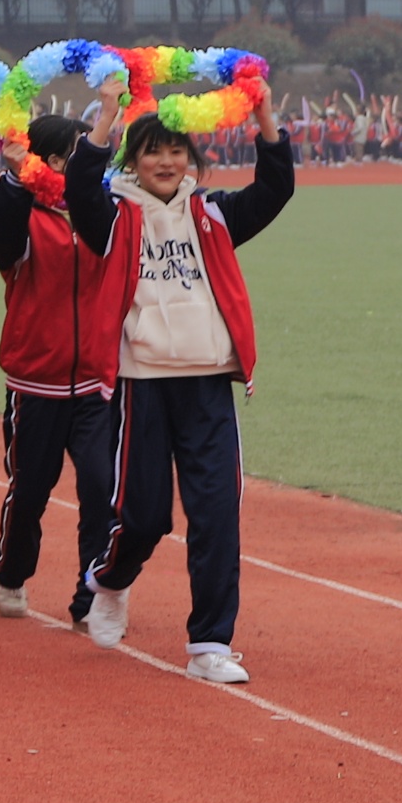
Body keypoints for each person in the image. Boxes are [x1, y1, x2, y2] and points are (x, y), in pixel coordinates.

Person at [67, 95, 296, 684]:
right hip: (142, 382)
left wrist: (263, 117)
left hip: (208, 384)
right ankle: (110, 581)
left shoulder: (213, 214)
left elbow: (275, 191)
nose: (165, 162)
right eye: (152, 153)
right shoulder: (115, 217)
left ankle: (210, 643)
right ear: (134, 160)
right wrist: (104, 124)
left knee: (217, 513)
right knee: (144, 519)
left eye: (175, 150)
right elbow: (79, 194)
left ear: (190, 157)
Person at [0, 116, 112, 624]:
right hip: (36, 382)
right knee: (30, 488)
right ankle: (12, 572)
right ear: (53, 162)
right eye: (82, 151)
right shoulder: (24, 218)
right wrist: (12, 178)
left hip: (97, 382)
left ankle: (91, 592)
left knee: (101, 486)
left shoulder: (100, 214)